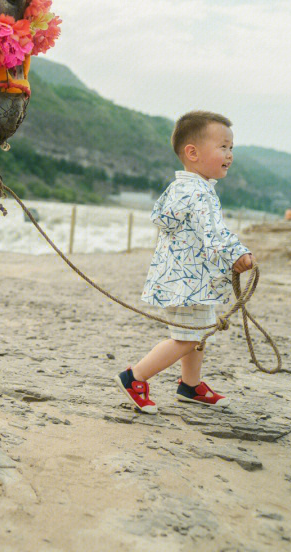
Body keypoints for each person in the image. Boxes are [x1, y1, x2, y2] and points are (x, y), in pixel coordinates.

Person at [114, 110, 255, 413]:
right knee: (186, 338)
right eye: (223, 147)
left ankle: (190, 385)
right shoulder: (200, 194)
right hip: (188, 280)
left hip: (184, 276)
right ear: (192, 152)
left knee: (198, 332)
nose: (230, 155)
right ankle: (134, 377)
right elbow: (215, 234)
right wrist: (239, 254)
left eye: (231, 148)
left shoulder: (181, 187)